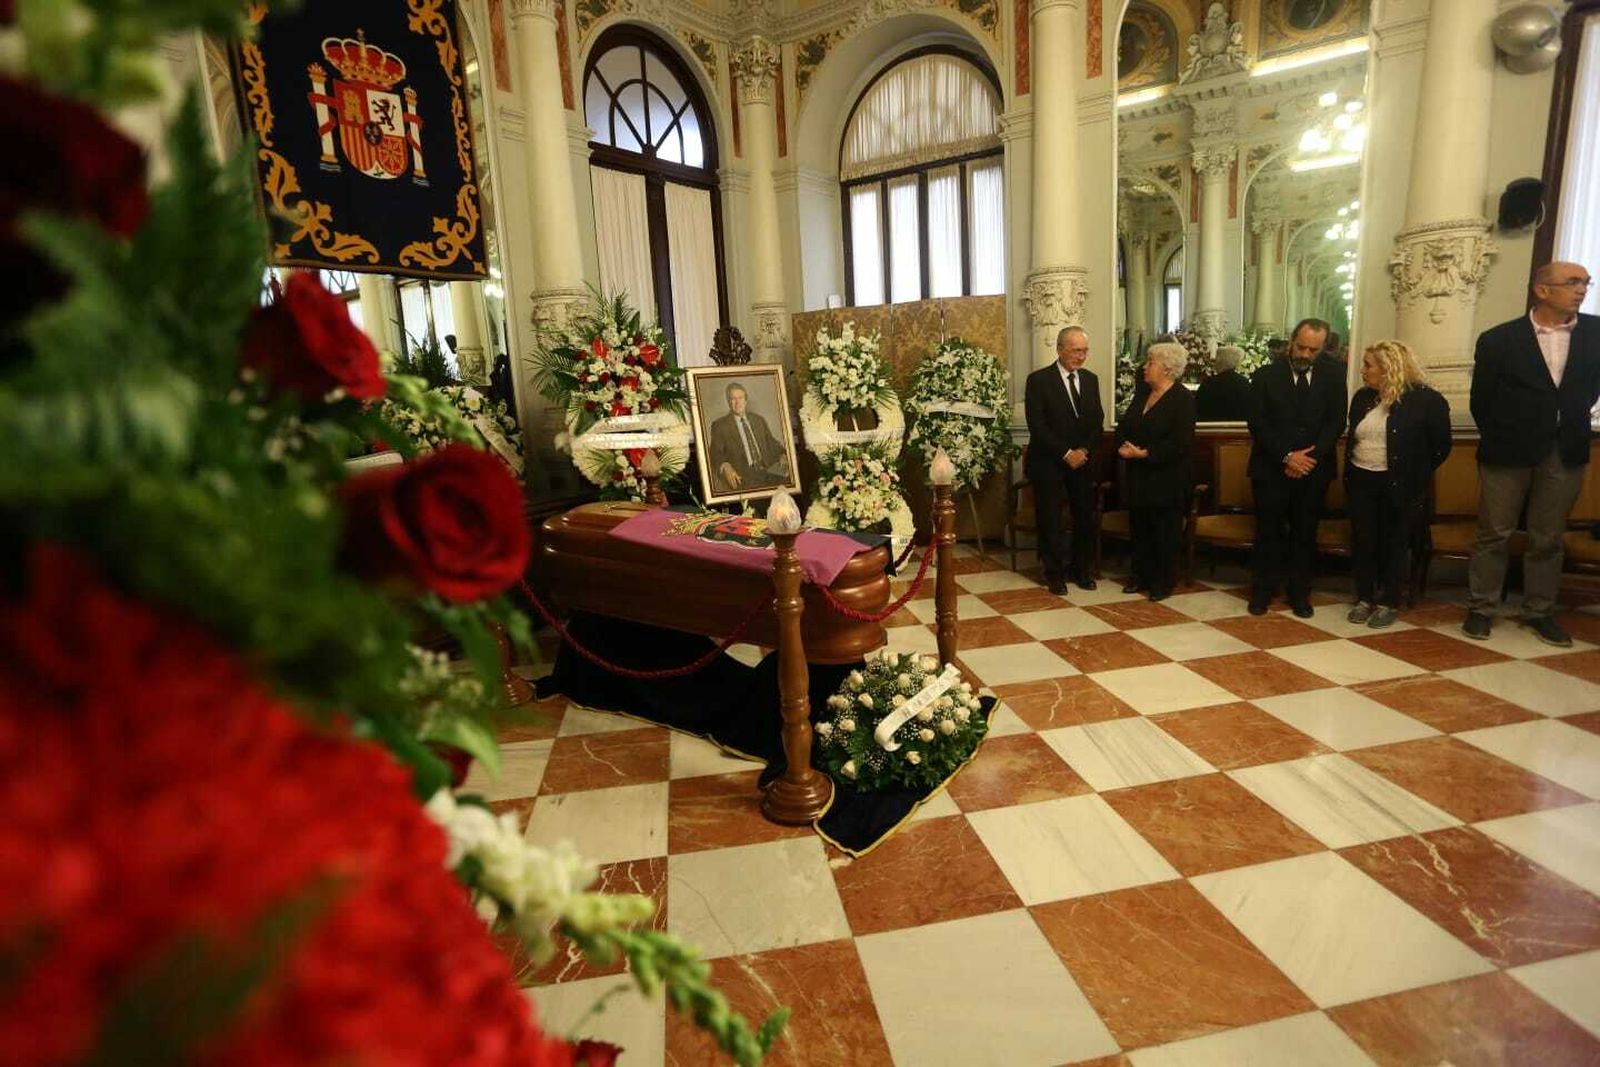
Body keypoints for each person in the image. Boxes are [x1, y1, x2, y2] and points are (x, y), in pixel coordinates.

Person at [1463, 261, 1600, 646]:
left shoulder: (1596, 334)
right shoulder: (1499, 339)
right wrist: (1510, 431)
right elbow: (1481, 402)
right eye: (1572, 282)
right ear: (1542, 290)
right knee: (1494, 533)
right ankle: (1481, 607)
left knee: (1548, 537)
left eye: (1585, 282)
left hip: (1565, 449)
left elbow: (1589, 390)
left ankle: (1539, 610)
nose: (1581, 289)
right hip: (1507, 449)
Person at [1343, 340, 1451, 628]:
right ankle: (1365, 597)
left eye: (1368, 365)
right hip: (1361, 480)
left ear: (1388, 367)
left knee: (1394, 543)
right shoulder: (1362, 398)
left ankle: (1390, 600)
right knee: (1364, 541)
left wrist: (1415, 474)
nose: (1363, 371)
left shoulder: (1426, 400)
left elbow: (1440, 446)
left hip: (1399, 485)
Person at [1246, 317, 1347, 617]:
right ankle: (1263, 591)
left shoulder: (1333, 374)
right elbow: (1258, 422)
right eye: (1300, 347)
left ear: (1322, 348)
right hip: (1270, 469)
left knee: (1305, 534)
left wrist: (1306, 459)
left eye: (1312, 350)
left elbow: (1335, 422)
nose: (1304, 355)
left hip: (1314, 471)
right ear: (1291, 342)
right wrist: (1287, 456)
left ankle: (1300, 594)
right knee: (1268, 533)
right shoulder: (1265, 375)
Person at [1024, 326, 1104, 594]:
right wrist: (1066, 453)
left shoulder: (1091, 379)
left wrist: (1084, 451)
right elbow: (1038, 425)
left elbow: (1097, 422)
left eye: (1084, 351)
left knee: (1084, 517)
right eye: (1076, 351)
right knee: (1050, 519)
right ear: (1059, 349)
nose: (1081, 357)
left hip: (1082, 462)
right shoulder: (1038, 380)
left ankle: (1081, 570)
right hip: (1048, 462)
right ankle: (1054, 573)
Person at [1116, 342, 1196, 601]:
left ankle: (1163, 581)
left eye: (1151, 362)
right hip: (1139, 476)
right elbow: (1125, 424)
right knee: (1140, 529)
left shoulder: (1182, 399)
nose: (1145, 367)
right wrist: (1125, 444)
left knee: (1165, 532)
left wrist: (1146, 453)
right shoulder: (1143, 394)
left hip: (1167, 477)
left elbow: (1181, 443)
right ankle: (1141, 576)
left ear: (1167, 368)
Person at [708, 381, 787, 495]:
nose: (737, 402)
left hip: (769, 471)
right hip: (744, 476)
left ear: (746, 400)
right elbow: (716, 453)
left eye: (740, 398)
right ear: (728, 401)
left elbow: (771, 442)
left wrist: (783, 454)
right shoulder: (720, 425)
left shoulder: (758, 420)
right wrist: (725, 465)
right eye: (733, 398)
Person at [1195, 344, 1252, 422]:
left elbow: (1198, 409)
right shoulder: (1243, 383)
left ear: (1220, 362)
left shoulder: (1208, 383)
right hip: (1239, 430)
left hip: (1208, 429)